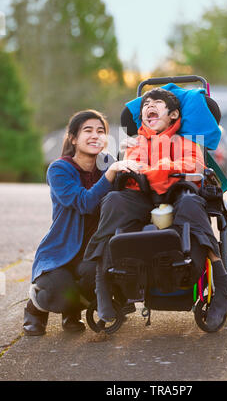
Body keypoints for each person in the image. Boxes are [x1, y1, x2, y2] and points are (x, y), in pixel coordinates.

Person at [84, 89, 227, 331]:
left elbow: (192, 165)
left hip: (179, 195)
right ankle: (103, 282)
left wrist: (158, 166)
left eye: (157, 103)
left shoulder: (188, 142)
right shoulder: (136, 143)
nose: (148, 106)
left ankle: (222, 287)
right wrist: (143, 167)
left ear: (173, 115)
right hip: (141, 197)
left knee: (191, 204)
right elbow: (131, 168)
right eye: (145, 104)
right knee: (113, 201)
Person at [23, 109, 140, 336]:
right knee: (58, 290)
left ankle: (72, 311)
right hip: (61, 251)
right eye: (88, 131)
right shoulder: (59, 169)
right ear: (74, 138)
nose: (95, 135)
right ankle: (35, 309)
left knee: (99, 277)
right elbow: (84, 202)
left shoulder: (109, 165)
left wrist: (132, 155)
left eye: (101, 131)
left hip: (92, 250)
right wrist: (111, 174)